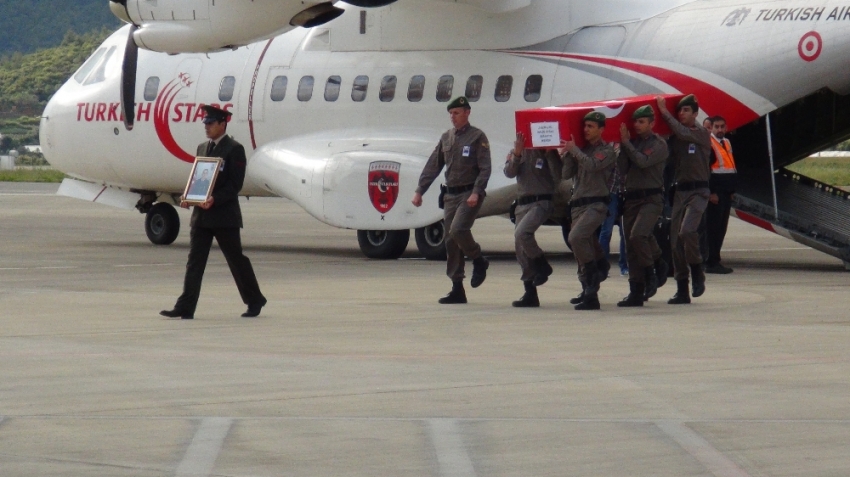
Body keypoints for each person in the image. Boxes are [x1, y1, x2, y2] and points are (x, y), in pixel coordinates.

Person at [160, 105, 267, 319]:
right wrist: (189, 197)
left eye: (210, 123)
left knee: (236, 260)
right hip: (202, 215)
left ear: (222, 124)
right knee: (194, 262)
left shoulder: (234, 149)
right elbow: (199, 180)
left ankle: (254, 300)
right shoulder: (202, 148)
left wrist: (214, 199)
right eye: (205, 123)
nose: (206, 127)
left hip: (224, 216)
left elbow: (234, 185)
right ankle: (185, 307)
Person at [412, 96, 492, 304]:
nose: (453, 117)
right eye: (451, 114)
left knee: (458, 230)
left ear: (467, 113)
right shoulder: (446, 138)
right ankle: (457, 287)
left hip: (469, 194)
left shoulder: (477, 137)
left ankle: (478, 259)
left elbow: (485, 168)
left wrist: (477, 191)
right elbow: (433, 165)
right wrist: (420, 190)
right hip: (450, 195)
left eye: (456, 113)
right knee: (450, 240)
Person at [656, 94, 712, 304]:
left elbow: (681, 131)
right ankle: (682, 289)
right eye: (679, 111)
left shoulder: (701, 133)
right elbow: (664, 153)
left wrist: (664, 112)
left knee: (687, 231)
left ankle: (697, 271)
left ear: (696, 114)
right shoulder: (677, 138)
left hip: (699, 191)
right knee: (675, 242)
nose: (681, 114)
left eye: (686, 110)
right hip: (680, 191)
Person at [558, 111, 616, 310]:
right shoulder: (580, 150)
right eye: (585, 126)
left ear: (601, 129)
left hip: (596, 203)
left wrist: (575, 151)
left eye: (591, 127)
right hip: (578, 204)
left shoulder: (606, 151)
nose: (586, 130)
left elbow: (592, 165)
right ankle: (589, 289)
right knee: (583, 245)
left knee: (576, 237)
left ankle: (594, 281)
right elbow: (566, 175)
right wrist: (566, 155)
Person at [616, 105, 670, 307]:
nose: (637, 125)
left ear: (651, 123)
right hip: (631, 198)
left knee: (638, 235)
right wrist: (622, 147)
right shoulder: (632, 143)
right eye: (635, 122)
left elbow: (643, 162)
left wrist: (626, 144)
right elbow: (622, 169)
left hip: (651, 198)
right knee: (632, 247)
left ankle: (652, 271)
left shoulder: (659, 144)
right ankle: (636, 291)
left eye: (641, 122)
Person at [504, 132, 562, 307]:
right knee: (520, 247)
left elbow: (558, 175)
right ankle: (530, 292)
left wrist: (549, 153)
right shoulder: (518, 151)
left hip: (541, 201)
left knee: (523, 233)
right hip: (523, 203)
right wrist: (517, 154)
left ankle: (542, 264)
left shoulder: (546, 151)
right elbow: (509, 172)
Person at [705, 115, 737, 274]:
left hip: (726, 192)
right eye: (716, 127)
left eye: (722, 126)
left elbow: (730, 168)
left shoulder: (726, 142)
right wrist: (711, 192)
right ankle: (711, 261)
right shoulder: (709, 144)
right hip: (716, 194)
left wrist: (731, 191)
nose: (720, 129)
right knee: (714, 229)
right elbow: (706, 171)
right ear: (710, 128)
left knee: (721, 228)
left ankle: (715, 259)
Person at [598, 164, 628, 277]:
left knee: (624, 232)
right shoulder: (610, 149)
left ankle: (624, 265)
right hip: (611, 193)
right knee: (606, 231)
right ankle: (603, 266)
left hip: (625, 193)